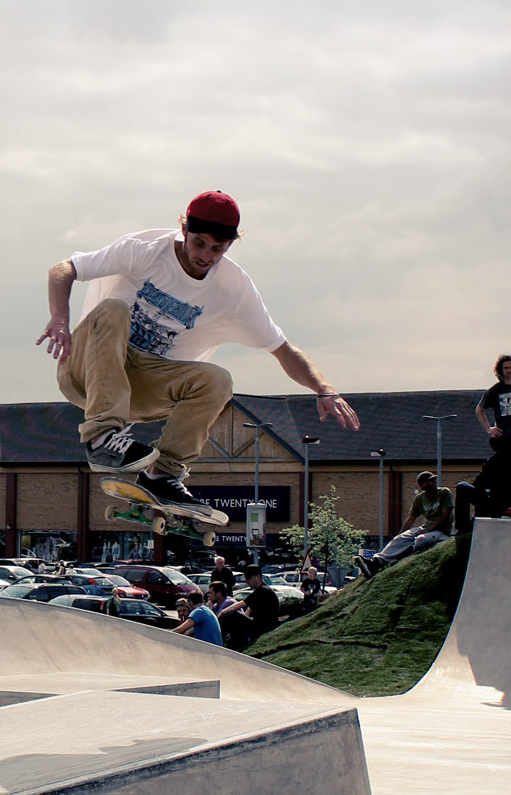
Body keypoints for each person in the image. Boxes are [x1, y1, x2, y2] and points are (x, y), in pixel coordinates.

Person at [37, 189, 360, 512]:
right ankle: (101, 437)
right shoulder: (145, 250)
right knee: (114, 309)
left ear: (231, 244)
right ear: (184, 230)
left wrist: (324, 389)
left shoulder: (234, 289)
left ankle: (161, 475)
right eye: (199, 243)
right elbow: (63, 269)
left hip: (144, 385)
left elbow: (283, 350)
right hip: (86, 370)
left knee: (218, 380)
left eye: (218, 248)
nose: (206, 256)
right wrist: (60, 320)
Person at [455, 356, 511, 532]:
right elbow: (479, 410)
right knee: (509, 475)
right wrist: (489, 429)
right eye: (506, 368)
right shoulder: (495, 390)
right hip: (505, 441)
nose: (509, 371)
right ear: (501, 371)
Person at [356, 471, 453, 577]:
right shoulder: (419, 499)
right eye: (431, 481)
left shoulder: (444, 493)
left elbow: (446, 515)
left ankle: (400, 558)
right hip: (426, 528)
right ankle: (376, 562)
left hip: (442, 531)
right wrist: (400, 535)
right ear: (424, 485)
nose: (434, 482)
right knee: (400, 538)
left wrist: (428, 530)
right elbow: (411, 518)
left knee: (421, 540)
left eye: (434, 480)